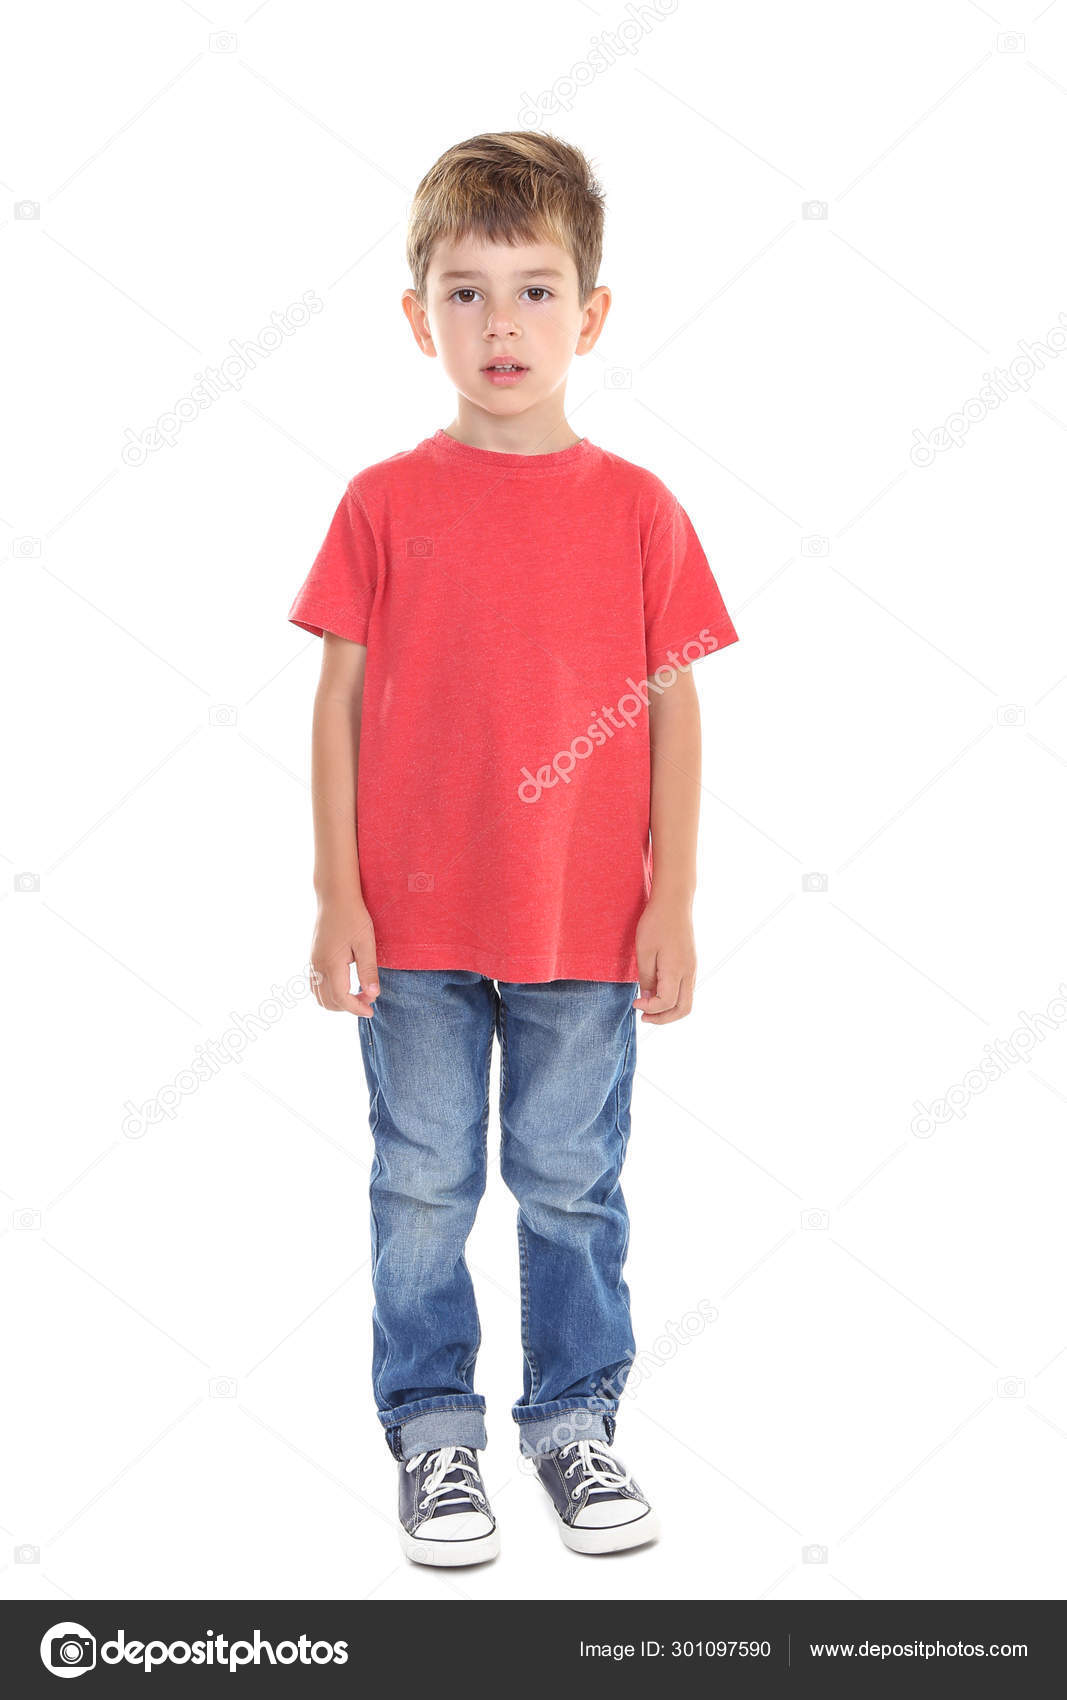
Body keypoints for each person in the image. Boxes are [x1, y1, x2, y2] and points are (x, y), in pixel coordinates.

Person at [288, 131, 739, 1566]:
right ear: (418, 317)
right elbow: (340, 702)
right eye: (468, 293)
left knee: (568, 1181)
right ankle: (434, 1437)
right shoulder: (381, 502)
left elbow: (674, 714)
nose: (503, 325)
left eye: (537, 291)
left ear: (591, 315)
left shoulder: (640, 511)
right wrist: (335, 894)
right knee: (420, 1180)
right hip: (411, 928)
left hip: (584, 926)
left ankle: (572, 1425)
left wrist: (673, 896)